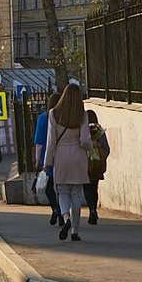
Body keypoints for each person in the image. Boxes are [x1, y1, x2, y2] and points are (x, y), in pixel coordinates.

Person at [40, 81, 91, 241]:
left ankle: (66, 218)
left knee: (62, 192)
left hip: (61, 156)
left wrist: (47, 163)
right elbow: (85, 140)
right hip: (78, 157)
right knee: (76, 195)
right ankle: (75, 231)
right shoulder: (82, 114)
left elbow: (50, 141)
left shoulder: (54, 113)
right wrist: (91, 146)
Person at [32, 96, 63, 226]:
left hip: (47, 158)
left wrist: (37, 160)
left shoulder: (43, 118)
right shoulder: (63, 119)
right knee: (62, 189)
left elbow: (39, 143)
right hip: (62, 157)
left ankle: (55, 209)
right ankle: (62, 214)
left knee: (49, 188)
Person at [83, 107, 111, 225]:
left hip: (86, 165)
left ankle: (91, 209)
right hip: (97, 166)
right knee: (94, 188)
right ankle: (94, 209)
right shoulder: (99, 132)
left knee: (87, 188)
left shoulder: (84, 131)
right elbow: (107, 149)